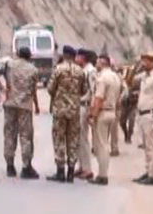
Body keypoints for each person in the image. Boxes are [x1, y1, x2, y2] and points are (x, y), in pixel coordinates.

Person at [0, 45, 41, 179]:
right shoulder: (33, 70)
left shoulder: (8, 64)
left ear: (18, 54)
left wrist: (2, 88)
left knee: (9, 134)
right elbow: (33, 90)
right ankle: (26, 167)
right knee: (26, 136)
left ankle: (10, 166)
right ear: (29, 56)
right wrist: (36, 106)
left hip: (10, 104)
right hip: (25, 106)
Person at [46, 44, 85, 183]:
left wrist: (59, 95)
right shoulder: (80, 71)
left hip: (60, 110)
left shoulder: (58, 69)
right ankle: (71, 171)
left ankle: (60, 171)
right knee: (73, 140)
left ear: (64, 54)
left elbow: (50, 89)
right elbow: (84, 91)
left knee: (59, 139)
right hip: (74, 110)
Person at [132, 52, 153, 186]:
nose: (143, 63)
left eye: (146, 60)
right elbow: (131, 81)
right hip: (142, 114)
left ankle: (152, 176)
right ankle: (147, 172)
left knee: (152, 146)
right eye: (143, 60)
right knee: (146, 146)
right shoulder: (145, 76)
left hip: (151, 114)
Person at [88, 53, 122, 185]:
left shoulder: (102, 78)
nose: (96, 65)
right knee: (104, 144)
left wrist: (93, 115)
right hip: (112, 111)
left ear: (102, 63)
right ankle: (103, 173)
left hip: (102, 113)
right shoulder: (115, 77)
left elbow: (99, 98)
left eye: (97, 62)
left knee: (101, 146)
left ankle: (102, 175)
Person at [75, 48, 97, 180]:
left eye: (78, 56)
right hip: (79, 106)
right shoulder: (83, 70)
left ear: (83, 58)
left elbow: (94, 91)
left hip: (85, 106)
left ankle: (88, 169)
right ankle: (81, 166)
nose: (76, 58)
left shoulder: (90, 71)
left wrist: (91, 111)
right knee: (78, 138)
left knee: (83, 139)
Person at [119, 62, 139, 144]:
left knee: (131, 121)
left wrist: (135, 93)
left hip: (133, 103)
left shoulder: (137, 80)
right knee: (122, 122)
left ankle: (129, 136)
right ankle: (126, 134)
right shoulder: (122, 81)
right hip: (124, 103)